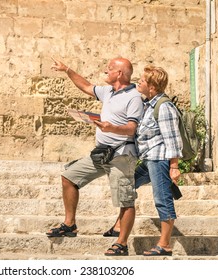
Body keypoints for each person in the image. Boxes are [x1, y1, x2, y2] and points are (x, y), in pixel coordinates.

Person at [46, 57, 144, 256]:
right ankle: (69, 224)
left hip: (121, 154)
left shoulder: (133, 97)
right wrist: (67, 70)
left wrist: (111, 127)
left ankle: (122, 243)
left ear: (120, 74)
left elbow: (132, 129)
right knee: (69, 177)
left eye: (110, 69)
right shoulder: (108, 92)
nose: (105, 71)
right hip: (101, 152)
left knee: (125, 200)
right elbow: (86, 86)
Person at [103, 65, 182, 256]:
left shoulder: (164, 107)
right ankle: (119, 224)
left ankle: (165, 244)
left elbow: (172, 138)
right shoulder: (149, 105)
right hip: (148, 159)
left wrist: (174, 166)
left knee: (162, 199)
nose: (139, 82)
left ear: (153, 86)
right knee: (128, 186)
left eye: (143, 80)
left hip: (159, 159)